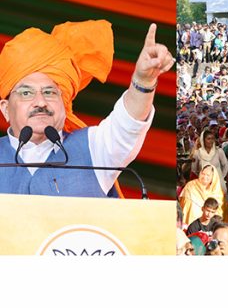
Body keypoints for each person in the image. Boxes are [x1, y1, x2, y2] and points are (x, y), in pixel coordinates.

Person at [0, 21, 174, 197]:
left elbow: (127, 125)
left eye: (50, 92)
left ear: (64, 102)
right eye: (26, 93)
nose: (40, 102)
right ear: (5, 109)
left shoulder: (93, 148)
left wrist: (143, 81)